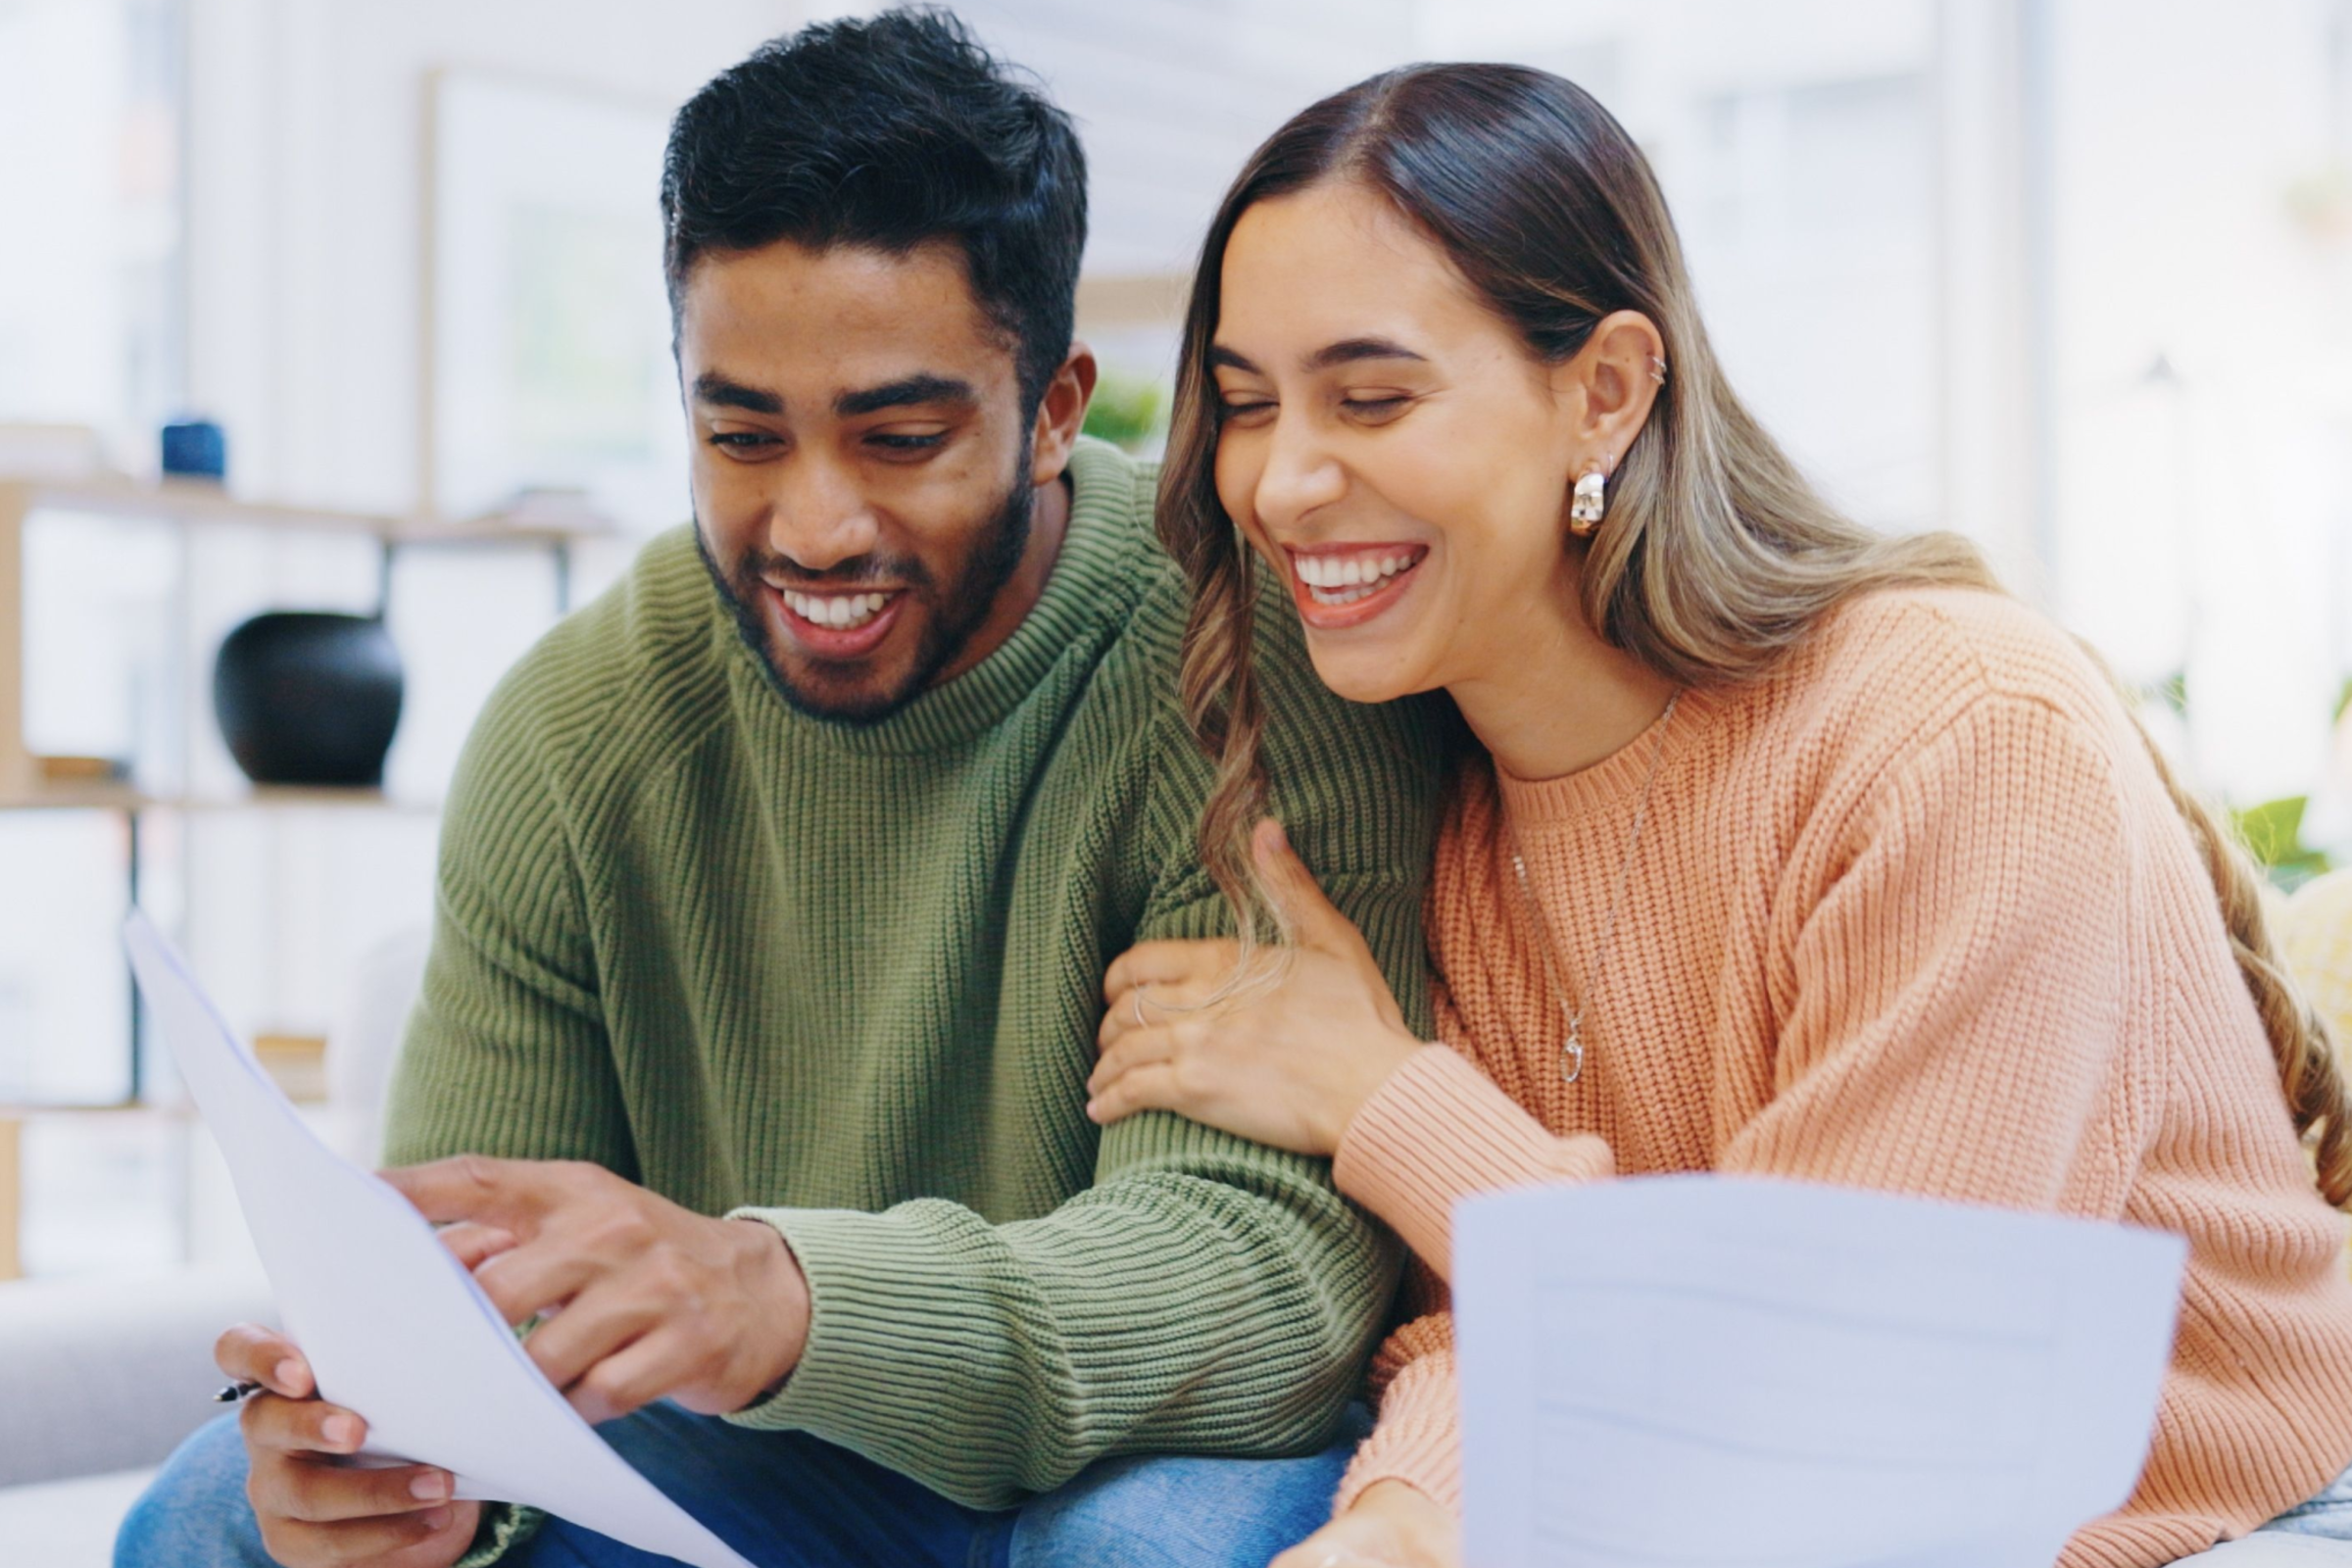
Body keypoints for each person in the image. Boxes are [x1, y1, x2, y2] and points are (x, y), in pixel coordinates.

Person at [114, 14, 1450, 1568]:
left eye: (900, 437)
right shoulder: (576, 732)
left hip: (1140, 1453)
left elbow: (1255, 1284)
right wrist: (408, 1470)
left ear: (1060, 403)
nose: (813, 526)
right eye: (740, 433)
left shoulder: (1240, 670)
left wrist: (786, 1296)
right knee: (214, 1521)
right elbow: (475, 1298)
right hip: (768, 1462)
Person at [1084, 62, 2352, 1568]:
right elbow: (1497, 1340)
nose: (1282, 481)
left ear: (1606, 392)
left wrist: (1383, 1100)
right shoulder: (1443, 805)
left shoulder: (1957, 741)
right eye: (1244, 403)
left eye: (1373, 396)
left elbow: (1837, 1395)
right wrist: (1401, 1529)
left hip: (2215, 1529)